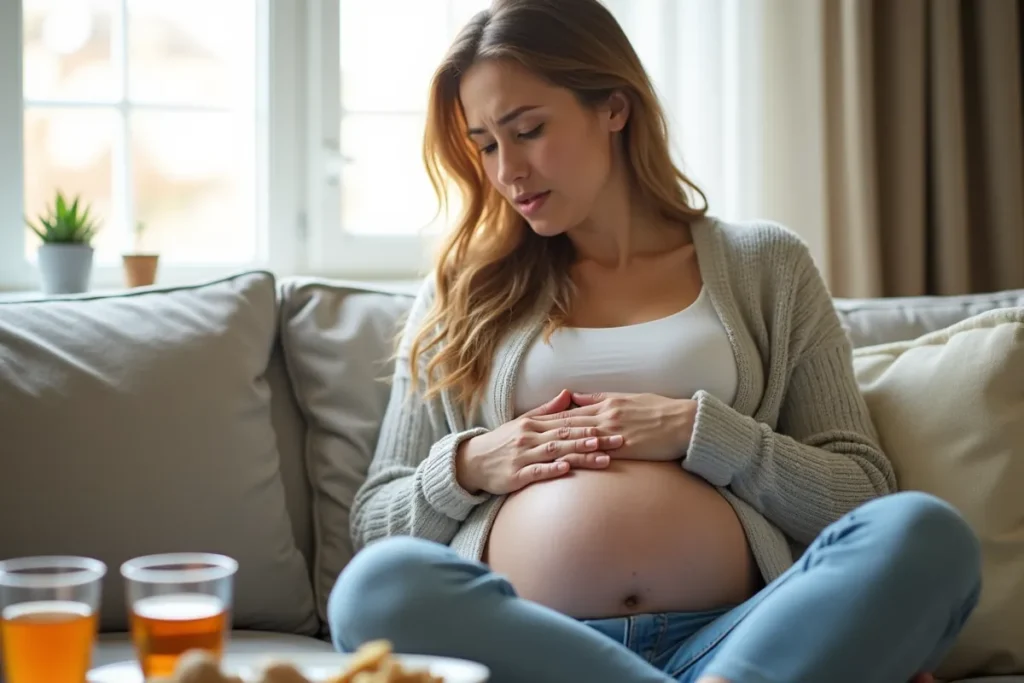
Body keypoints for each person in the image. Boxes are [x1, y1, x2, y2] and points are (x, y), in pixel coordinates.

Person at [327, 1, 982, 681]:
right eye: (487, 144)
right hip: (536, 644)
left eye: (528, 130)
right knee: (374, 586)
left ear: (614, 107)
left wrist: (702, 430)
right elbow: (375, 522)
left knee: (925, 534)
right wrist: (471, 465)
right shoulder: (464, 290)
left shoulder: (767, 265)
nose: (507, 171)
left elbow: (862, 494)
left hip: (739, 636)